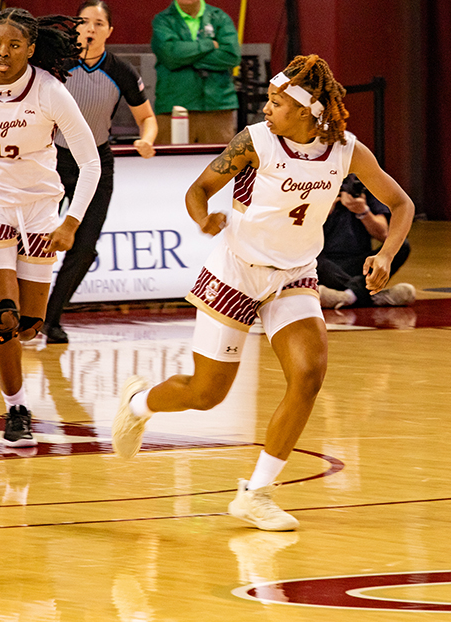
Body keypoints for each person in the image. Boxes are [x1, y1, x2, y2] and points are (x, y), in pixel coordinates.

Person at [110, 54, 414, 531]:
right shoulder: (254, 141)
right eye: (268, 100)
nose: (267, 108)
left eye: (277, 102)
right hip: (236, 272)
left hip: (293, 274)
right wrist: (203, 217)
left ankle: (257, 493)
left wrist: (386, 255)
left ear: (308, 110)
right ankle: (138, 406)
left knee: (309, 375)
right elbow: (198, 189)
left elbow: (401, 204)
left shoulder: (347, 151)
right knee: (206, 393)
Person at [0, 8, 101, 447]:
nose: (2, 52)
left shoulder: (50, 91)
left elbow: (90, 162)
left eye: (13, 45)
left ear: (30, 49)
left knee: (29, 327)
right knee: (5, 316)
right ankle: (17, 409)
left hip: (39, 208)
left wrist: (71, 221)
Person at [43, 0, 158, 344]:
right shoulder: (55, 66)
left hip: (96, 162)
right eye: (84, 22)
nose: (90, 29)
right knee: (32, 238)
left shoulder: (121, 70)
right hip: (52, 160)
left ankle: (52, 319)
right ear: (74, 27)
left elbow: (147, 118)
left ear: (109, 31)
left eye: (98, 23)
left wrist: (147, 140)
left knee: (85, 245)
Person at [150, 0, 241, 145]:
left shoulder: (220, 18)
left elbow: (231, 55)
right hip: (173, 107)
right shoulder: (162, 21)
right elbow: (169, 55)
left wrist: (186, 56)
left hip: (217, 108)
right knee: (170, 169)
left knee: (220, 167)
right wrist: (209, 44)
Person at [316, 173, 414, 309]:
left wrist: (363, 212)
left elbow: (384, 233)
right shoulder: (315, 186)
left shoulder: (364, 186)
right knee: (309, 256)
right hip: (324, 264)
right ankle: (368, 296)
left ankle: (347, 296)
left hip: (361, 265)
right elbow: (298, 233)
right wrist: (322, 211)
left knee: (401, 245)